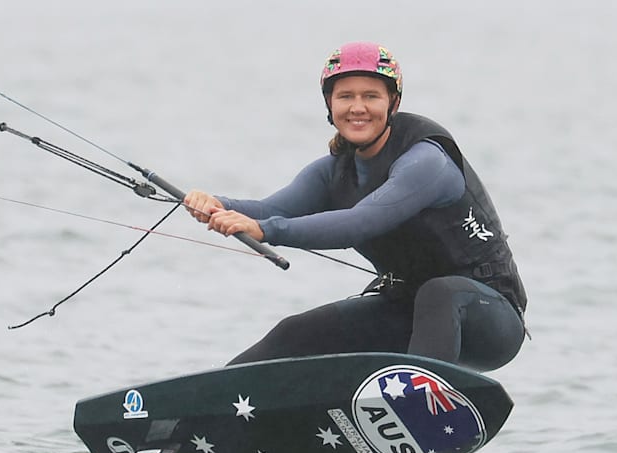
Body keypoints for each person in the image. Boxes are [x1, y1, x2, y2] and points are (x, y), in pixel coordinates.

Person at [184, 42, 527, 372]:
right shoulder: (333, 171)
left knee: (439, 293)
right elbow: (271, 209)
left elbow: (359, 222)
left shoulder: (427, 161)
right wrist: (217, 205)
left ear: (393, 103)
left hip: (487, 318)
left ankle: (419, 402)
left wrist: (266, 231)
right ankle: (194, 413)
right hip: (405, 314)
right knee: (295, 332)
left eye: (371, 96)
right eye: (345, 96)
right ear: (330, 105)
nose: (357, 107)